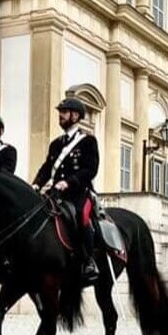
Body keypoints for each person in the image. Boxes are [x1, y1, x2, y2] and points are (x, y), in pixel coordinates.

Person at [31, 97, 100, 282]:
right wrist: (37, 183)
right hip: (56, 193)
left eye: (64, 112)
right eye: (60, 112)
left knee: (82, 216)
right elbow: (47, 167)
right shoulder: (56, 144)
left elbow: (90, 169)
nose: (60, 115)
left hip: (78, 193)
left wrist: (69, 182)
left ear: (75, 115)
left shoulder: (88, 141)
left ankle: (89, 260)